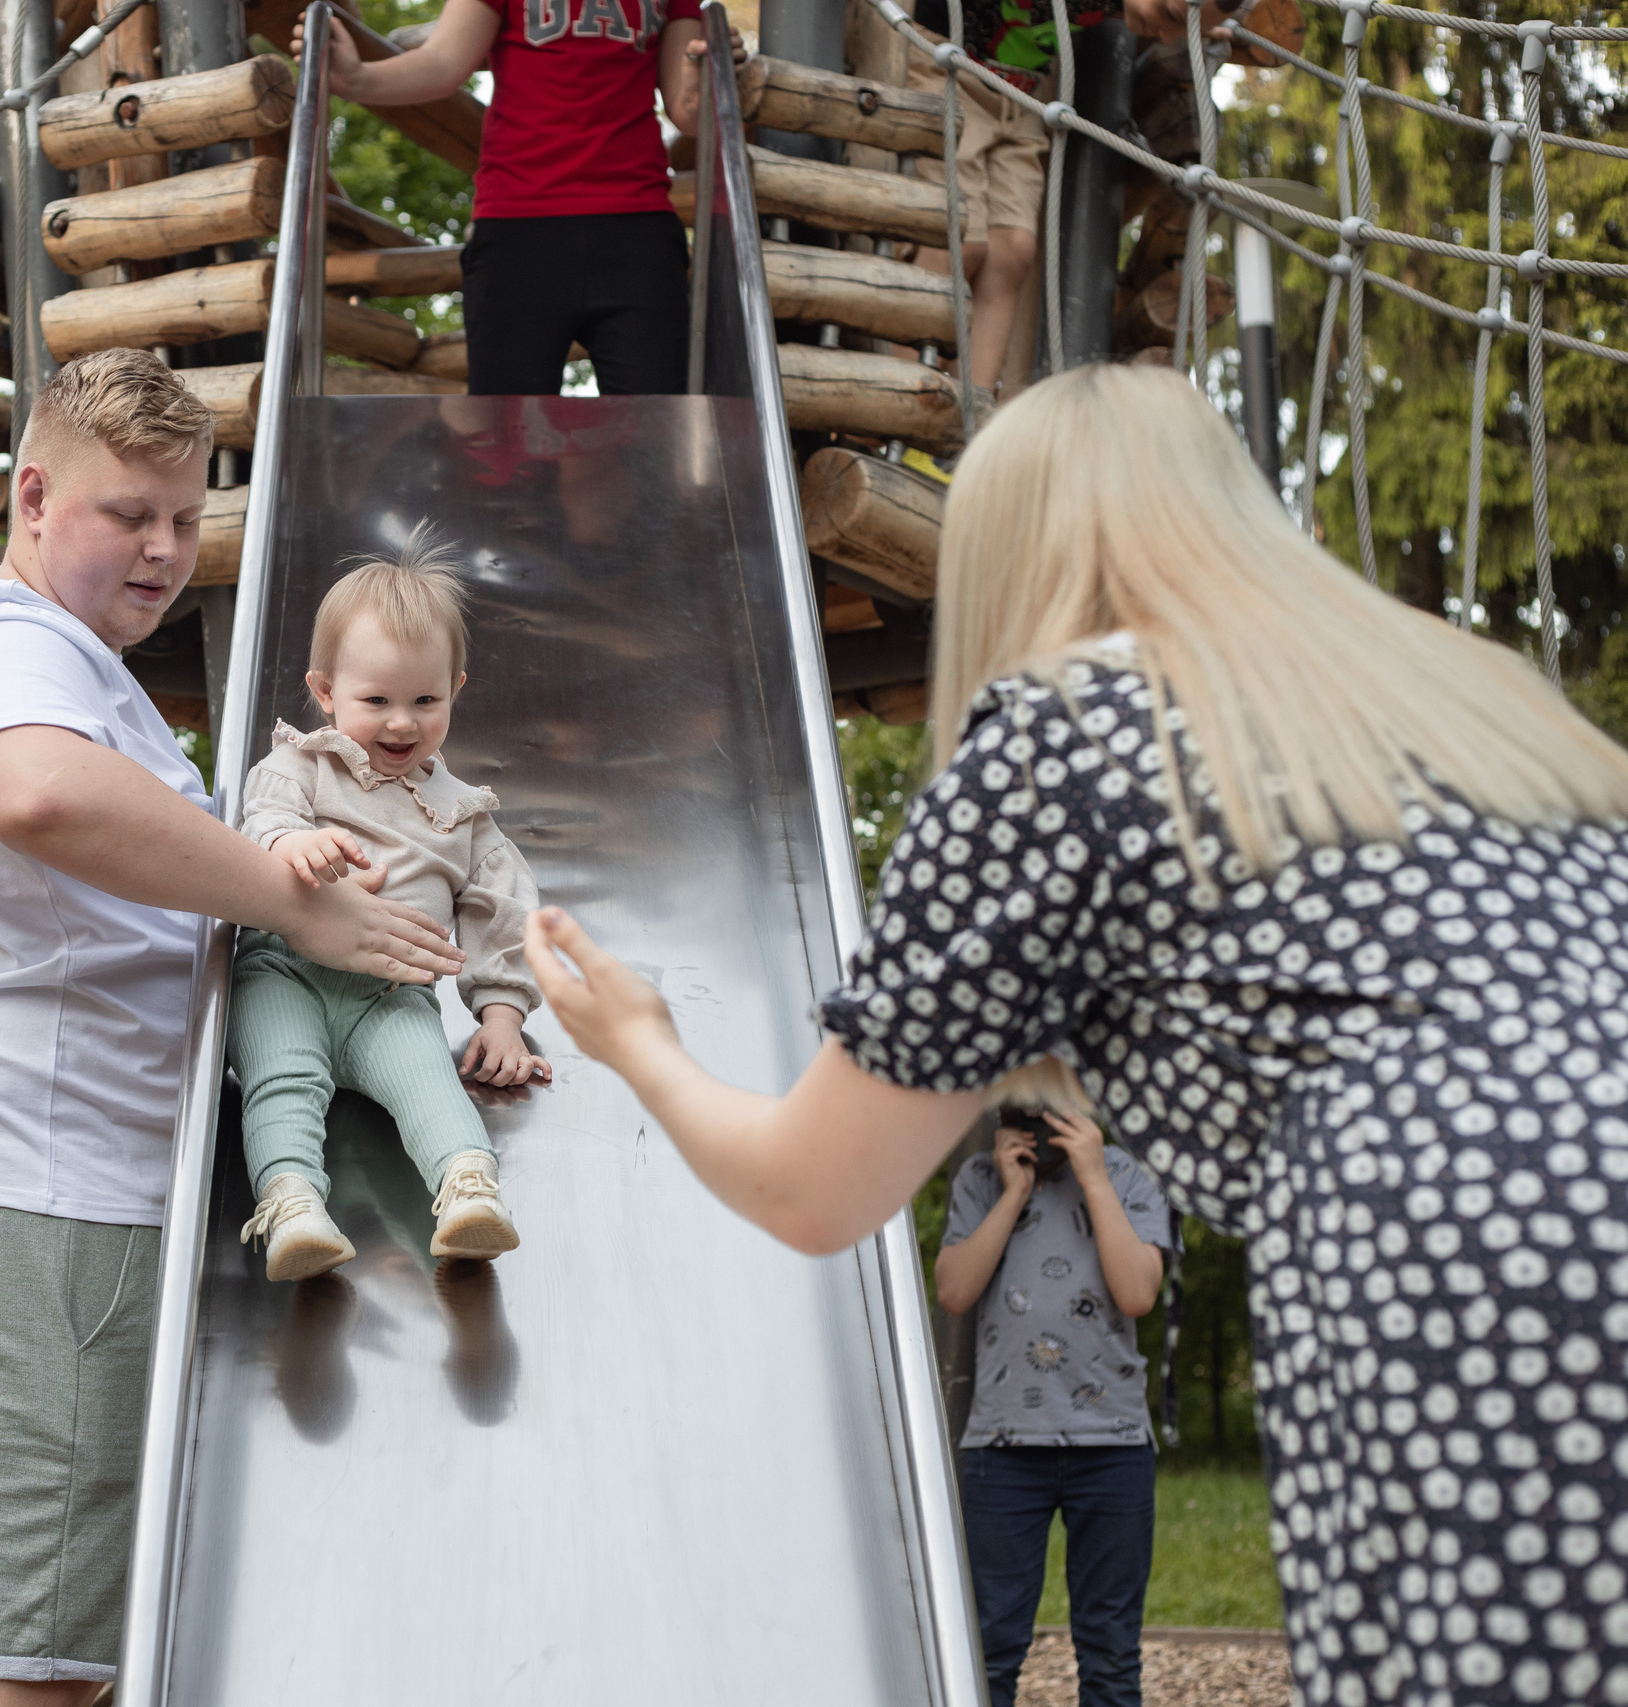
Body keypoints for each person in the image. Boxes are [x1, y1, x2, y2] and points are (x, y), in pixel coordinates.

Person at [520, 362, 1628, 1706]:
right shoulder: (1470, 698)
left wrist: (639, 1039)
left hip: (1472, 1248)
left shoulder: (1057, 733)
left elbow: (813, 1188)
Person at [0, 347, 461, 1706]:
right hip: (38, 1197)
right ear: (30, 496)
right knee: (24, 1675)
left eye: (186, 517)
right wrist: (290, 907)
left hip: (69, 1201)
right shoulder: (4, 644)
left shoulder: (87, 668)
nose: (163, 548)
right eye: (126, 513)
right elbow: (36, 797)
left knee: (72, 1662)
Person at [230, 537, 549, 1281]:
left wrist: (502, 1015)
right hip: (287, 973)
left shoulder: (462, 815)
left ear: (454, 689)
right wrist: (292, 842)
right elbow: (260, 819)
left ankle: (469, 1189)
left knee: (430, 1084)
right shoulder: (300, 766)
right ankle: (291, 1202)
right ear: (325, 689)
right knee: (281, 1078)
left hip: (392, 996)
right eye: (376, 700)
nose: (401, 722)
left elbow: (502, 908)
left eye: (425, 700)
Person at [295, 0, 719, 396]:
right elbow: (443, 62)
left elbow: (687, 109)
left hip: (638, 231)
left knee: (658, 434)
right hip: (519, 232)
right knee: (505, 447)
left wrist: (713, 72)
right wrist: (355, 79)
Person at [933, 1080, 1174, 1707]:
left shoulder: (1129, 1176)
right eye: (1026, 1113)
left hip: (1113, 1446)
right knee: (988, 1645)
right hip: (1003, 1447)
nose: (1042, 1127)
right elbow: (955, 1293)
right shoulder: (982, 1181)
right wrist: (1012, 1195)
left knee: (1111, 1651)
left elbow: (1137, 1294)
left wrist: (1094, 1177)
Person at [904, 0, 1248, 407]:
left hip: (1020, 95)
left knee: (1013, 249)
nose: (1169, 36)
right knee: (958, 240)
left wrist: (1198, 26)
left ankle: (970, 418)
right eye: (1172, 18)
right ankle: (911, 395)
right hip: (946, 65)